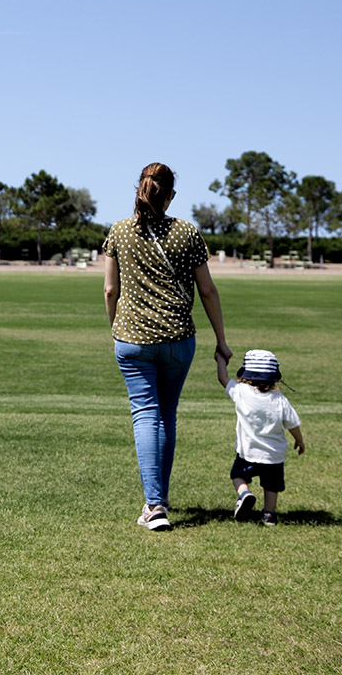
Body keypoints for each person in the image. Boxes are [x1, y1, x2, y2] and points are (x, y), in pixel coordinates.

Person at [104, 163, 231, 531]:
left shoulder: (119, 232)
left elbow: (111, 290)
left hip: (132, 340)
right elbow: (207, 290)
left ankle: (154, 505)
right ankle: (161, 497)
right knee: (167, 414)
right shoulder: (186, 233)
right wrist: (221, 341)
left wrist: (115, 328)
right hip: (178, 339)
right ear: (171, 195)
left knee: (145, 413)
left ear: (139, 190)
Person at [214, 348, 305, 526]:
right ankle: (269, 515)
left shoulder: (241, 391)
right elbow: (293, 424)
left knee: (238, 475)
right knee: (271, 486)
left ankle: (244, 493)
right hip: (274, 455)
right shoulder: (280, 399)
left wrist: (221, 360)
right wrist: (299, 441)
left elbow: (223, 379)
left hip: (247, 451)